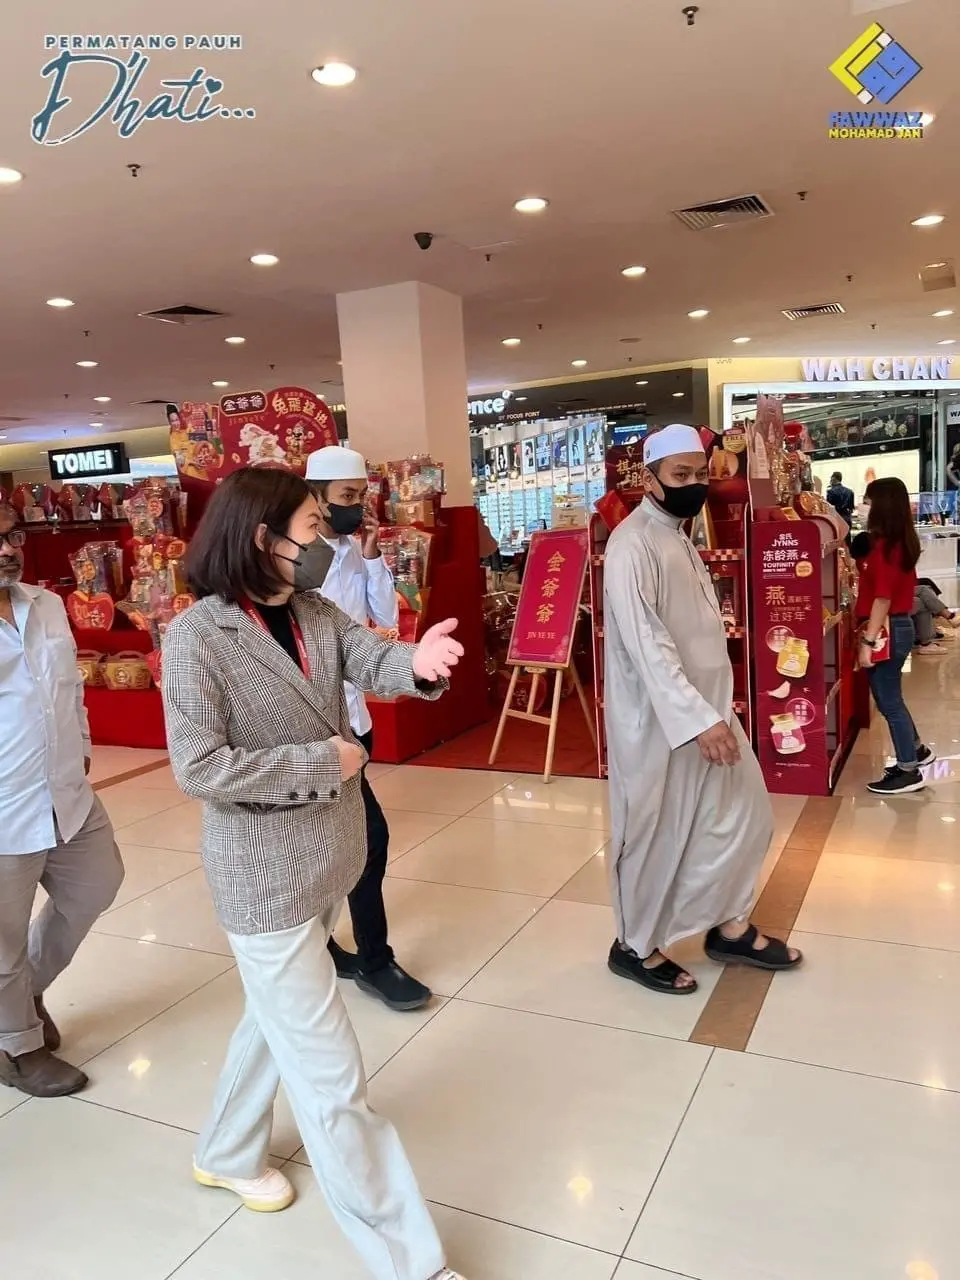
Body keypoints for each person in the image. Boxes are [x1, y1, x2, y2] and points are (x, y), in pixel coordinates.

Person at [161, 468, 465, 1280]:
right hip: (262, 880)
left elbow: (373, 657)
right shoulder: (195, 638)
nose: (325, 539)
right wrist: (319, 762)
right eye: (310, 524)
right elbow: (200, 768)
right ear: (264, 538)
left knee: (274, 1020)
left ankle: (227, 1151)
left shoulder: (310, 610)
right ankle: (411, 1263)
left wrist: (421, 665)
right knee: (333, 1082)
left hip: (327, 860)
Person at [602, 425, 801, 995]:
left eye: (699, 474)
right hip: (661, 724)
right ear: (651, 478)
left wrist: (715, 712)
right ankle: (634, 945)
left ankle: (726, 924)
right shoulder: (631, 543)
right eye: (680, 476)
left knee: (743, 817)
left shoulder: (678, 536)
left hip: (710, 714)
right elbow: (648, 643)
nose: (692, 485)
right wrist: (696, 720)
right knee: (653, 835)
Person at [0, 502, 124, 1098]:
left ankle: (24, 994)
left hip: (64, 790)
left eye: (10, 535)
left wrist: (81, 746)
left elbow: (66, 687)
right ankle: (15, 1047)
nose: (8, 550)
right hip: (2, 809)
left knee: (97, 881)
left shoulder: (45, 604)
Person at [304, 445, 430, 1011]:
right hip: (311, 730)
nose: (357, 508)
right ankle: (371, 959)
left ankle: (327, 945)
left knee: (349, 840)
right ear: (315, 497)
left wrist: (372, 554)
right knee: (366, 840)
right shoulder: (299, 558)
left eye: (361, 496)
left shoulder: (352, 549)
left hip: (355, 719)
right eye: (346, 498)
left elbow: (381, 615)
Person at [856, 476, 933, 795]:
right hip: (898, 626)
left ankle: (907, 771)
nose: (863, 507)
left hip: (887, 629)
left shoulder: (885, 547)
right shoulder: (899, 542)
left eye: (868, 501)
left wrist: (867, 642)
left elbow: (882, 599)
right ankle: (916, 751)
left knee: (889, 703)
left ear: (882, 506)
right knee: (893, 698)